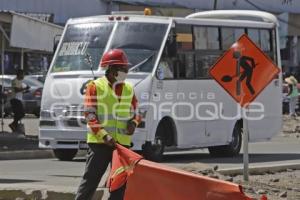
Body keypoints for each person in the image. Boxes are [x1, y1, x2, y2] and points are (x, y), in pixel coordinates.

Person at [75, 49, 141, 200]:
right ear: (112, 69)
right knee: (90, 182)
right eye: (123, 69)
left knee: (120, 185)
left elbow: (137, 113)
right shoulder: (95, 86)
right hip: (99, 144)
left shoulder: (129, 89)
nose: (126, 72)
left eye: (126, 69)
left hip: (122, 146)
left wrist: (134, 123)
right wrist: (104, 135)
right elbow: (90, 115)